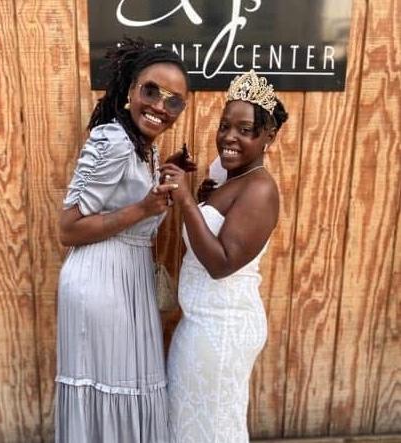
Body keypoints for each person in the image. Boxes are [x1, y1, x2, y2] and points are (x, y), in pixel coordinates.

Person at [55, 38, 190, 443]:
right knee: (113, 388)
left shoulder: (143, 147)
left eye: (174, 102)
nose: (160, 107)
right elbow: (68, 229)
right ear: (131, 89)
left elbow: (121, 197)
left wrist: (161, 177)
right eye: (151, 91)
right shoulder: (112, 139)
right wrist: (143, 208)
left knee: (128, 386)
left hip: (128, 280)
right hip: (101, 280)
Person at [163, 70, 289, 442]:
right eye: (224, 126)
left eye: (245, 129)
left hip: (223, 328)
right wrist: (202, 199)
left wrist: (187, 202)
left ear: (268, 136)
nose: (229, 137)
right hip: (202, 324)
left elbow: (220, 264)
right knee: (192, 426)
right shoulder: (232, 179)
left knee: (214, 429)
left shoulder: (260, 189)